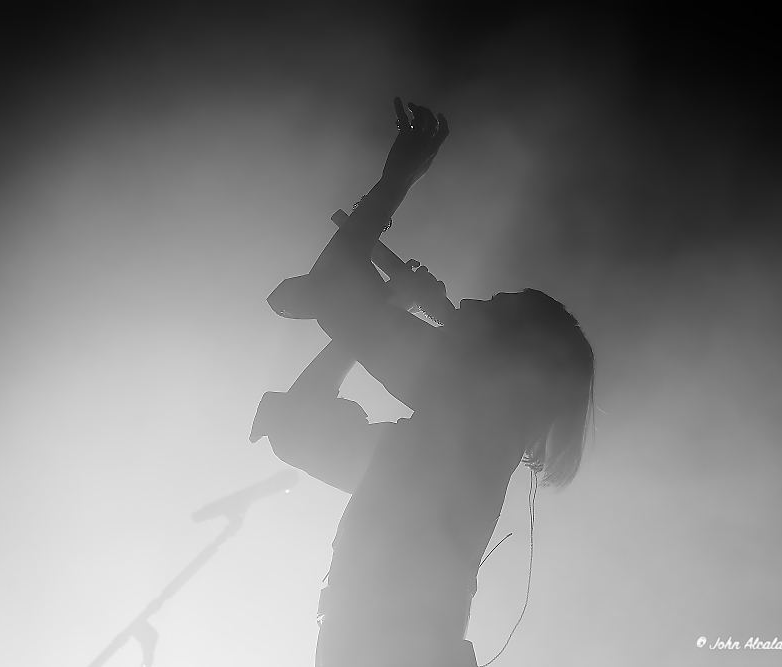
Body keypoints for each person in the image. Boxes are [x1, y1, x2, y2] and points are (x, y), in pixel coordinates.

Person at [250, 98, 595, 667]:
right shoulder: (445, 441)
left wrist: (395, 181)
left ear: (509, 349)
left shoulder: (474, 403)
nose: (472, 300)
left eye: (491, 305)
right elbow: (299, 427)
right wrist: (380, 306)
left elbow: (335, 292)